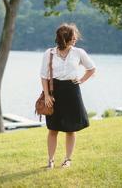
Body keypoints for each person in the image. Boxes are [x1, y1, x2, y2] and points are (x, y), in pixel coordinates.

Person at [40, 23, 96, 169]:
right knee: (53, 128)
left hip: (72, 91)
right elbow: (44, 76)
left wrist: (82, 80)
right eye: (73, 36)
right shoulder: (49, 53)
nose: (76, 38)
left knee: (71, 129)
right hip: (54, 92)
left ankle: (67, 160)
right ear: (64, 38)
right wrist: (46, 95)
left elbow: (91, 68)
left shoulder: (79, 52)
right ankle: (50, 161)